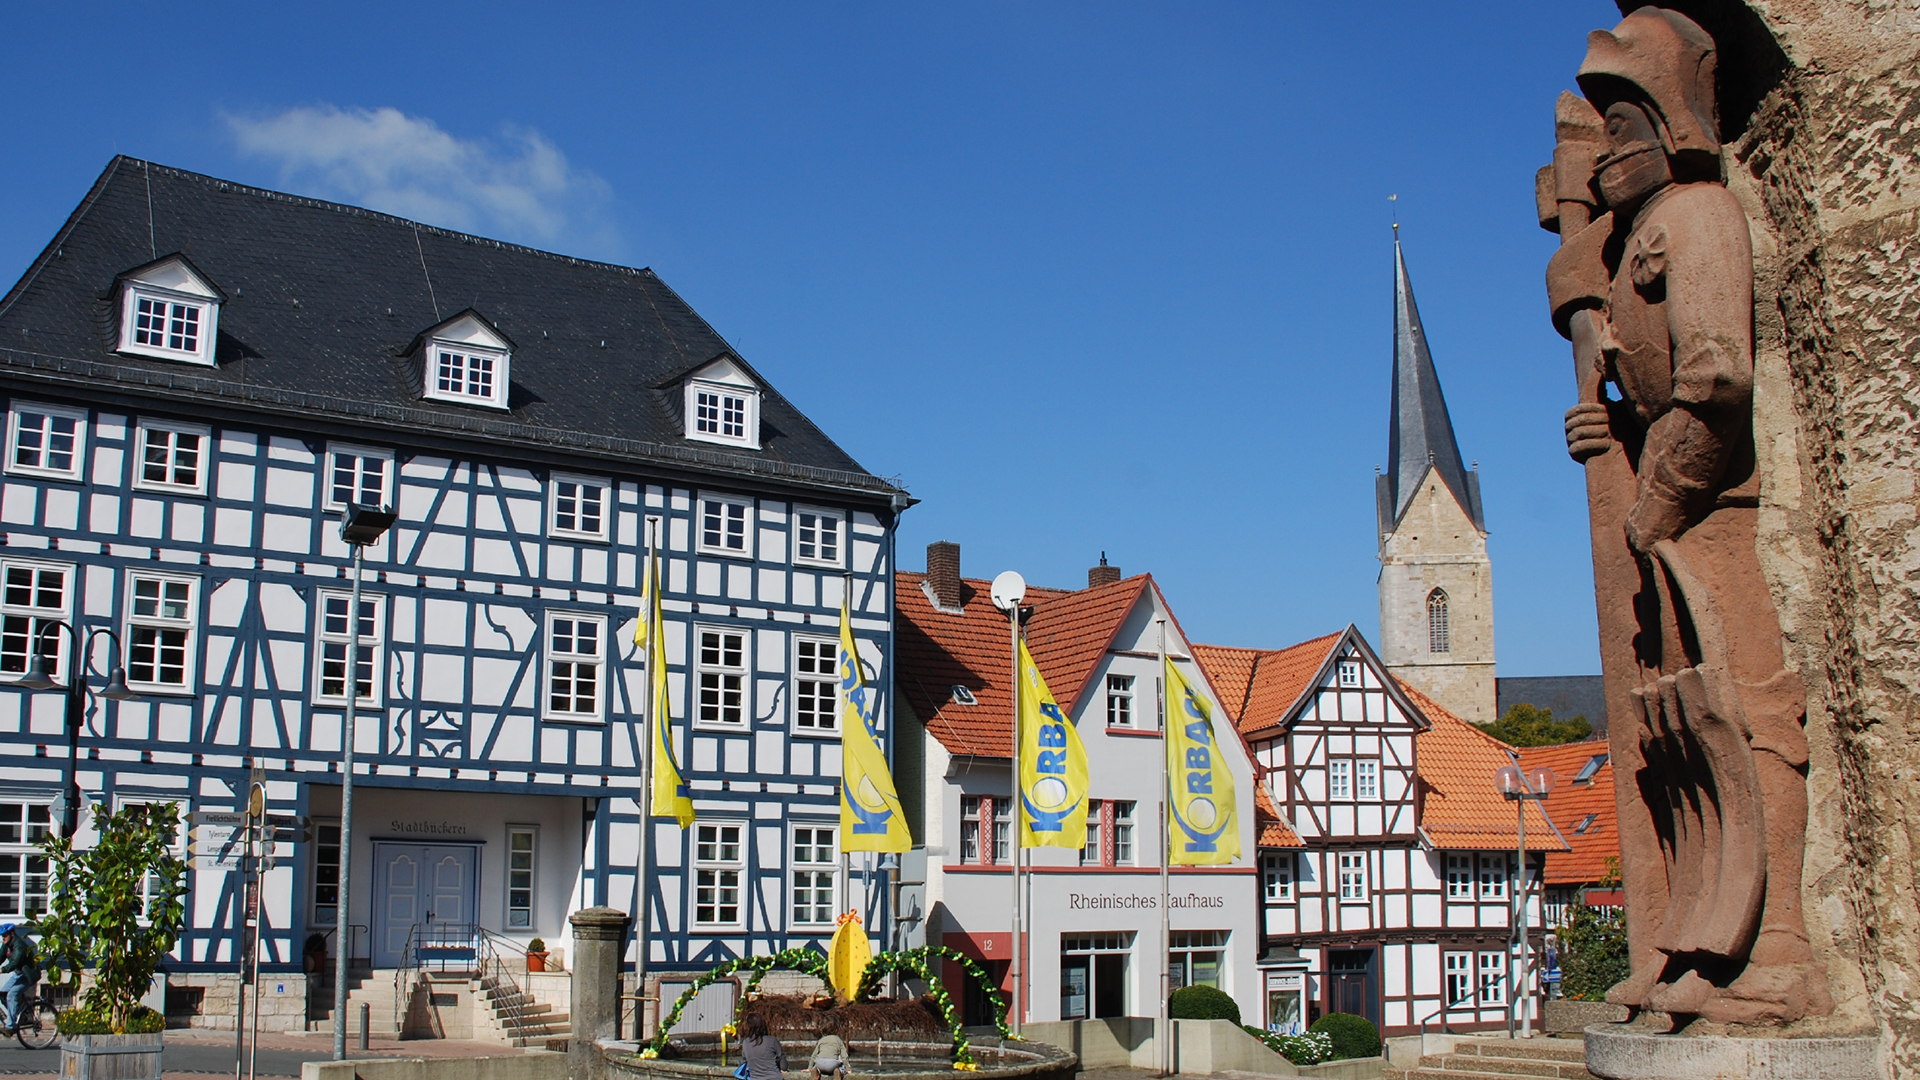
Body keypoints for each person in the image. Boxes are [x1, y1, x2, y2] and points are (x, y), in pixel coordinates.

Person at [0, 923, 39, 1036]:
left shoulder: (19, 946)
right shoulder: (7, 944)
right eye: (2, 936)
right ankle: (21, 1015)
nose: (3, 937)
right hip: (18, 974)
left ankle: (11, 1026)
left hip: (27, 975)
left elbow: (14, 963)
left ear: (12, 934)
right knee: (3, 993)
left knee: (11, 995)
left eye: (5, 935)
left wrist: (1, 970)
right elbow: (1, 956)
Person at [738, 1013, 788, 1080]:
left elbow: (745, 1063)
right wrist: (782, 1068)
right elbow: (782, 1060)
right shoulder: (772, 1041)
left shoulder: (745, 1043)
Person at [808, 1014, 847, 1080]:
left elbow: (813, 1056)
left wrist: (809, 1068)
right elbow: (844, 1056)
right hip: (832, 1065)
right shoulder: (838, 1040)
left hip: (820, 1064)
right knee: (841, 1066)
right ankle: (839, 1072)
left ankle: (816, 1071)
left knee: (817, 1064)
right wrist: (848, 1069)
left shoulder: (821, 1040)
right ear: (837, 1029)